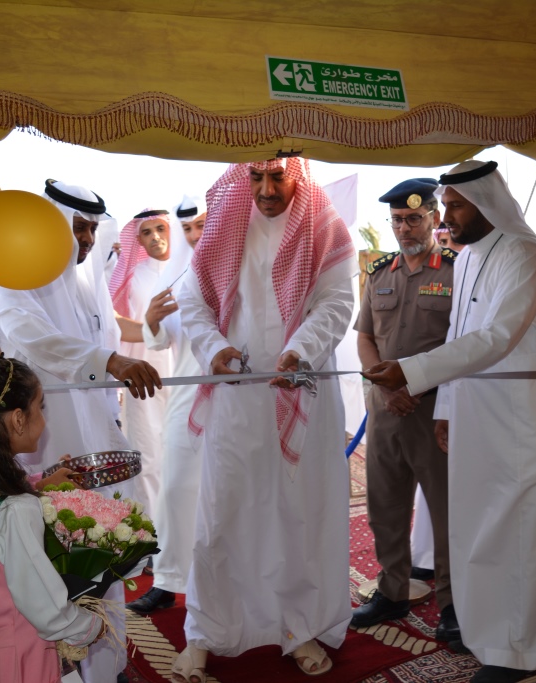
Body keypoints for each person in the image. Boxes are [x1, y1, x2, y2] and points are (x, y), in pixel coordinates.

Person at [363, 159, 536, 683]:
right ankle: (492, 635)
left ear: (488, 203)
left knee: (527, 532)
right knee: (483, 528)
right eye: (446, 207)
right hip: (478, 413)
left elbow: (496, 338)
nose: (449, 217)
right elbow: (459, 338)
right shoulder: (466, 259)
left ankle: (530, 650)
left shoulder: (525, 256)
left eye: (456, 206)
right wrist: (445, 408)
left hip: (527, 421)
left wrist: (410, 372)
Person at [172, 157, 357, 680]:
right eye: (256, 178)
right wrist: (214, 347)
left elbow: (338, 302)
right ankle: (205, 633)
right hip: (236, 395)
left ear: (298, 175)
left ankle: (298, 628)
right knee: (220, 513)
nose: (266, 189)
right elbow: (194, 303)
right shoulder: (227, 224)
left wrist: (301, 351)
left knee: (296, 514)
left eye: (277, 177)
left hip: (302, 390)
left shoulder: (324, 227)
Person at [0, 179, 160, 683]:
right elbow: (30, 339)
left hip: (93, 443)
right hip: (44, 449)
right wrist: (109, 360)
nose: (84, 240)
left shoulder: (85, 282)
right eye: (76, 228)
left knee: (102, 549)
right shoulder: (15, 275)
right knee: (56, 565)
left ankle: (110, 662)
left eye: (90, 230)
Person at [0, 356, 107, 682]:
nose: (44, 420)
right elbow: (46, 609)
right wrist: (92, 627)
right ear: (19, 419)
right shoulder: (17, 508)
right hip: (21, 659)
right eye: (41, 407)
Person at [351, 178, 457, 641]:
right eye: (397, 220)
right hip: (386, 412)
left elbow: (463, 344)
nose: (405, 228)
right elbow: (365, 337)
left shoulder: (456, 271)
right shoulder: (379, 273)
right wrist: (385, 385)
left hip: (436, 413)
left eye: (414, 218)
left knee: (447, 512)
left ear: (434, 218)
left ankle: (455, 603)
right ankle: (392, 591)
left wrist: (414, 384)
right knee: (385, 509)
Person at [126, 195, 206, 615]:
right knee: (175, 488)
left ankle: (220, 583)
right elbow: (160, 340)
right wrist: (152, 322)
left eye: (200, 226)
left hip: (234, 400)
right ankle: (168, 581)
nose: (194, 236)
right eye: (188, 228)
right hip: (187, 396)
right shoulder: (173, 276)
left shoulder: (240, 270)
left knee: (223, 493)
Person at [108, 208, 175, 518]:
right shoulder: (131, 276)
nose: (155, 237)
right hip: (143, 375)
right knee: (147, 455)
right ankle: (153, 532)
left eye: (160, 228)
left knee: (186, 452)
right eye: (146, 232)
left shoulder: (190, 269)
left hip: (189, 372)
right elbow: (117, 323)